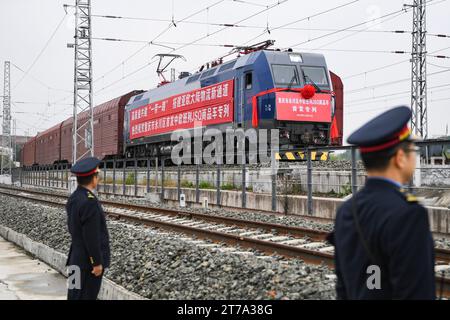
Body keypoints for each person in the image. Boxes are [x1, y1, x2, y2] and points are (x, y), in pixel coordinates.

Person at [329, 106, 435, 299]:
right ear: (400, 158)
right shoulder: (409, 214)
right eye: (413, 149)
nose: (415, 155)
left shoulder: (346, 209)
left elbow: (343, 288)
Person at [66, 157, 110, 300]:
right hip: (87, 266)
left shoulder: (73, 198)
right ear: (94, 178)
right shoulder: (89, 202)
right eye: (97, 175)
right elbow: (91, 237)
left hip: (74, 260)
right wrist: (96, 263)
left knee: (73, 296)